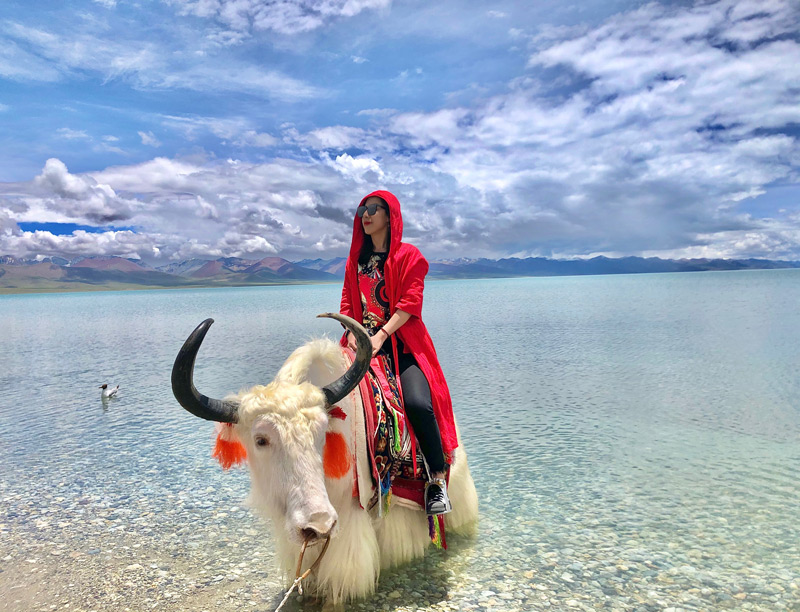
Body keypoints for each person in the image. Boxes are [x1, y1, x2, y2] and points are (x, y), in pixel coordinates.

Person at [340, 190, 458, 515]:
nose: (365, 215)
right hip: (362, 347)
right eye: (362, 210)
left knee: (419, 404)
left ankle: (436, 481)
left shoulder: (409, 256)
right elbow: (348, 302)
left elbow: (409, 303)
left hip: (400, 346)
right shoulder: (356, 261)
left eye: (372, 209)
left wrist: (381, 335)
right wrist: (350, 332)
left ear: (390, 216)